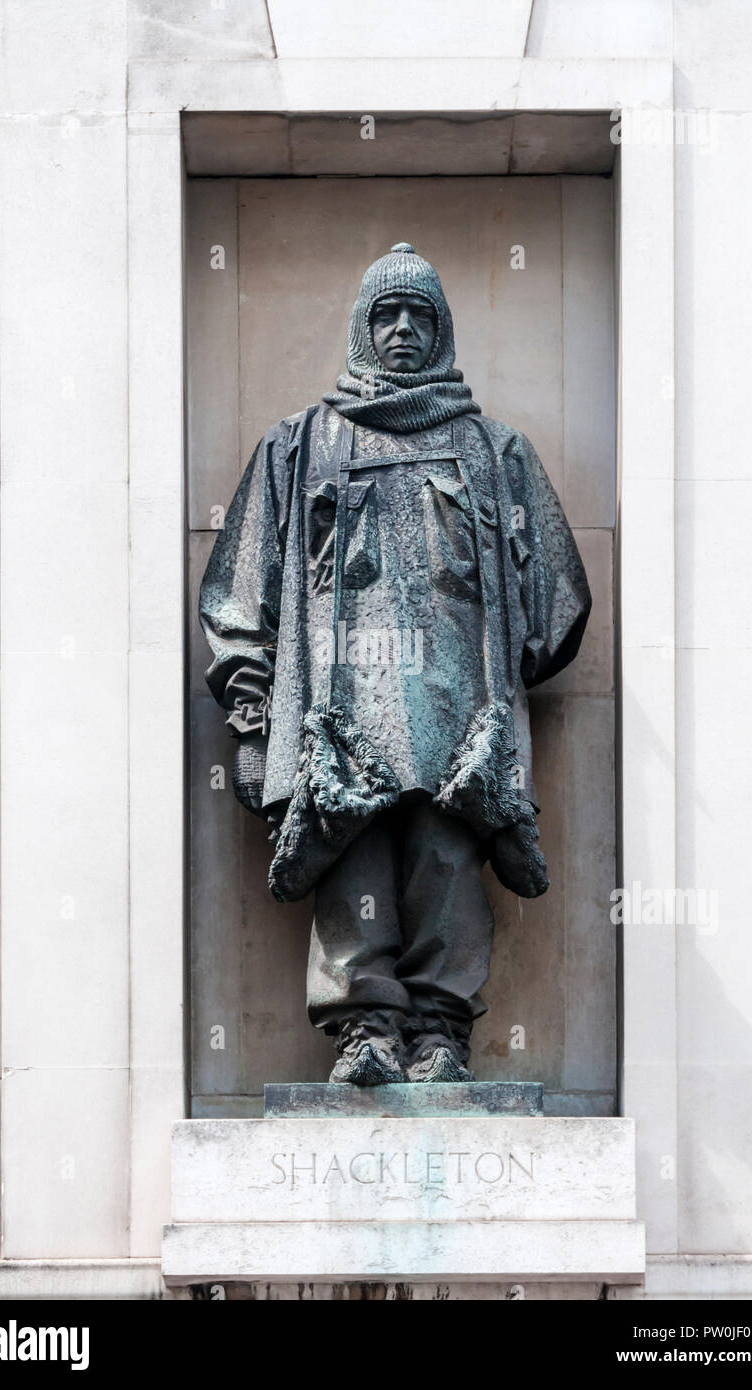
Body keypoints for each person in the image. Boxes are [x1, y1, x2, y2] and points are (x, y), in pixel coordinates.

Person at [200, 243, 591, 1085]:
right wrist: (251, 710)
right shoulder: (300, 445)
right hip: (336, 717)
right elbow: (240, 590)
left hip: (459, 719)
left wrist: (503, 674)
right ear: (361, 330)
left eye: (420, 315)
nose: (404, 329)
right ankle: (365, 1029)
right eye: (387, 315)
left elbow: (557, 594)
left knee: (447, 862)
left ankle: (441, 1031)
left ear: (442, 331)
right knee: (353, 859)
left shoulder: (494, 452)